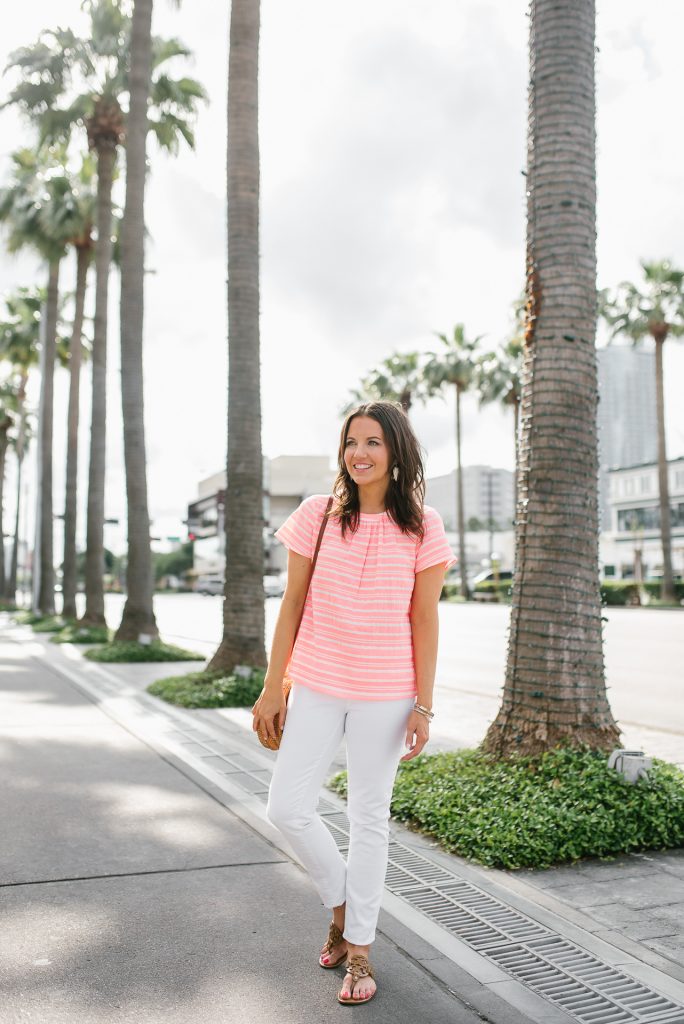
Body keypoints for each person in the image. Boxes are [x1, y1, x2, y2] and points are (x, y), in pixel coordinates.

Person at [252, 400, 456, 1006]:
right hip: (314, 683)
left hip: (387, 695)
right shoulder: (316, 515)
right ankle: (343, 909)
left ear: (396, 451)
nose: (359, 453)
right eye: (350, 442)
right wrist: (272, 686)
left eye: (372, 442)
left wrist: (423, 705)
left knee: (369, 820)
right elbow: (290, 604)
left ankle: (360, 954)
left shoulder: (424, 524)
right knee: (285, 807)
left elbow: (424, 618)